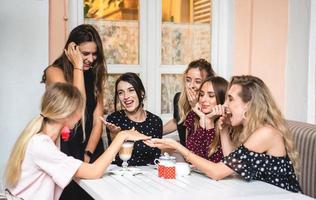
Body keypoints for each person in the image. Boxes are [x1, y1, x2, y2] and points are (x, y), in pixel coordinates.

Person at [146, 75, 301, 193]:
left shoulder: (265, 133)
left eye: (230, 99)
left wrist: (178, 147)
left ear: (249, 105)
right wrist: (224, 129)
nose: (225, 105)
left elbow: (218, 172)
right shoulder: (248, 130)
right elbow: (231, 166)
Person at [3, 83, 149, 200]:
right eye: (80, 110)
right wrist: (122, 136)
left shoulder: (47, 139)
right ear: (68, 113)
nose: (81, 115)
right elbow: (94, 172)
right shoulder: (41, 145)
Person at [41, 24, 106, 199]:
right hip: (65, 145)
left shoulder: (95, 75)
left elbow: (97, 120)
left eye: (94, 54)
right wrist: (78, 67)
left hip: (90, 148)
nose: (91, 59)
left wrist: (88, 153)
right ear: (72, 49)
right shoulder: (54, 72)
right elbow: (77, 105)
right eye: (85, 54)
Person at [105, 72, 162, 166]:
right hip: (121, 174)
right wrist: (114, 135)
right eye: (120, 93)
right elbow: (113, 157)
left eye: (131, 90)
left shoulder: (156, 121)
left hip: (148, 176)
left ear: (141, 93)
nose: (126, 97)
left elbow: (156, 158)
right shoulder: (114, 119)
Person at [163, 59, 215, 146]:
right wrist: (154, 132)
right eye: (188, 80)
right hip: (185, 154)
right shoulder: (179, 98)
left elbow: (203, 142)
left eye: (198, 81)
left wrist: (195, 108)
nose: (191, 86)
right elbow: (178, 121)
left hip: (198, 155)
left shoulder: (211, 103)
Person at [185, 76, 228, 162]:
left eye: (211, 96)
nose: (203, 99)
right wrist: (202, 118)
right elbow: (191, 156)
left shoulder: (228, 121)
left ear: (222, 99)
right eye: (201, 94)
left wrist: (209, 122)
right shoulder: (193, 116)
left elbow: (213, 161)